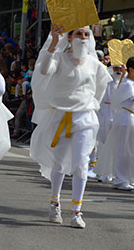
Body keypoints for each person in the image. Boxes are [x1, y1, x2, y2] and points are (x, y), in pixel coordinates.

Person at [30, 24, 112, 227]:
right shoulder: (59, 58)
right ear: (70, 37)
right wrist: (53, 45)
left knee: (81, 164)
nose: (83, 38)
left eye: (86, 34)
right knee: (58, 163)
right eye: (79, 34)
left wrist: (90, 106)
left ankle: (77, 210)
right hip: (61, 118)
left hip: (84, 119)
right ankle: (55, 203)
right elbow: (44, 70)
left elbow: (101, 88)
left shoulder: (95, 64)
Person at [97, 56, 134, 190]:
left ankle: (130, 178)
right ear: (131, 70)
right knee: (123, 151)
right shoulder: (127, 85)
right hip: (126, 120)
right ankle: (120, 179)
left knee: (132, 152)